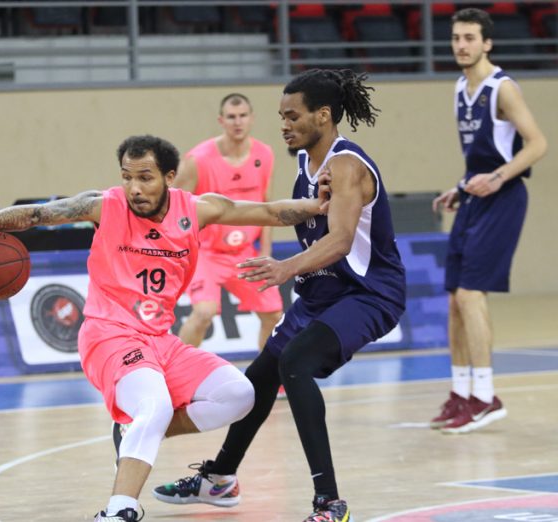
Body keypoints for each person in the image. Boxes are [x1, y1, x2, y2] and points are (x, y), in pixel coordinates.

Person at [0, 135, 330, 522]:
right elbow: (40, 214)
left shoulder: (195, 210)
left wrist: (317, 205)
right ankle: (119, 510)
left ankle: (137, 431)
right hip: (109, 334)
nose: (134, 188)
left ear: (169, 177)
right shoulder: (105, 206)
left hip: (159, 340)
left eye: (145, 178)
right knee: (155, 404)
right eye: (127, 177)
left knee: (239, 395)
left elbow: (269, 211)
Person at [152, 70, 406, 522]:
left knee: (296, 363)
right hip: (322, 293)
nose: (284, 125)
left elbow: (341, 240)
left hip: (368, 293)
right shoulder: (307, 162)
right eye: (281, 116)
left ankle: (329, 502)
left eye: (293, 116)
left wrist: (285, 268)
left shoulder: (346, 165)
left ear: (322, 115)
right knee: (258, 380)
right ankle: (219, 479)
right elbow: (290, 215)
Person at [429, 8, 547, 434]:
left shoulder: (503, 88)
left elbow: (537, 144)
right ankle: (461, 392)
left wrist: (497, 178)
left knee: (470, 293)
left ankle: (485, 396)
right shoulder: (460, 87)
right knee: (454, 299)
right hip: (474, 197)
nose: (461, 45)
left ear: (487, 43)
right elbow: (480, 156)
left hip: (505, 198)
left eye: (469, 38)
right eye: (456, 38)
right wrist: (461, 187)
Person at [174, 93, 283, 351]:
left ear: (252, 118)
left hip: (245, 254)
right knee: (204, 312)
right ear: (221, 121)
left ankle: (267, 373)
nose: (238, 122)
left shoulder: (264, 154)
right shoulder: (198, 160)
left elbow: (266, 206)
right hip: (205, 253)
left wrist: (266, 251)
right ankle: (174, 369)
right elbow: (174, 206)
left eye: (243, 116)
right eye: (232, 117)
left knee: (274, 315)